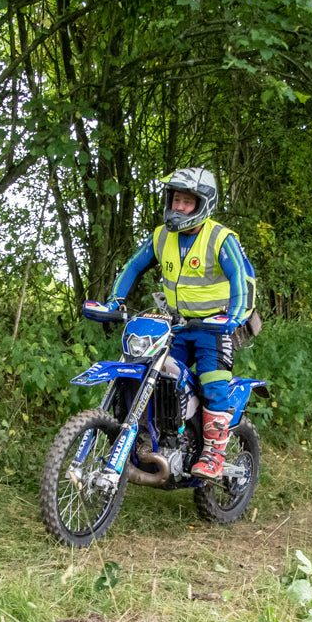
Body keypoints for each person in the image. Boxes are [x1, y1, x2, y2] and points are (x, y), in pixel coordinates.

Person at [105, 167, 256, 480]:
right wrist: (114, 301)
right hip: (175, 326)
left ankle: (214, 453)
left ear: (203, 204)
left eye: (187, 202)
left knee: (213, 381)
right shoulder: (161, 236)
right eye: (175, 200)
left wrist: (237, 314)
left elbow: (243, 277)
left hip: (214, 328)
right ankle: (155, 439)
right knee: (153, 375)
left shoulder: (220, 238)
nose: (178, 207)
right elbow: (133, 267)